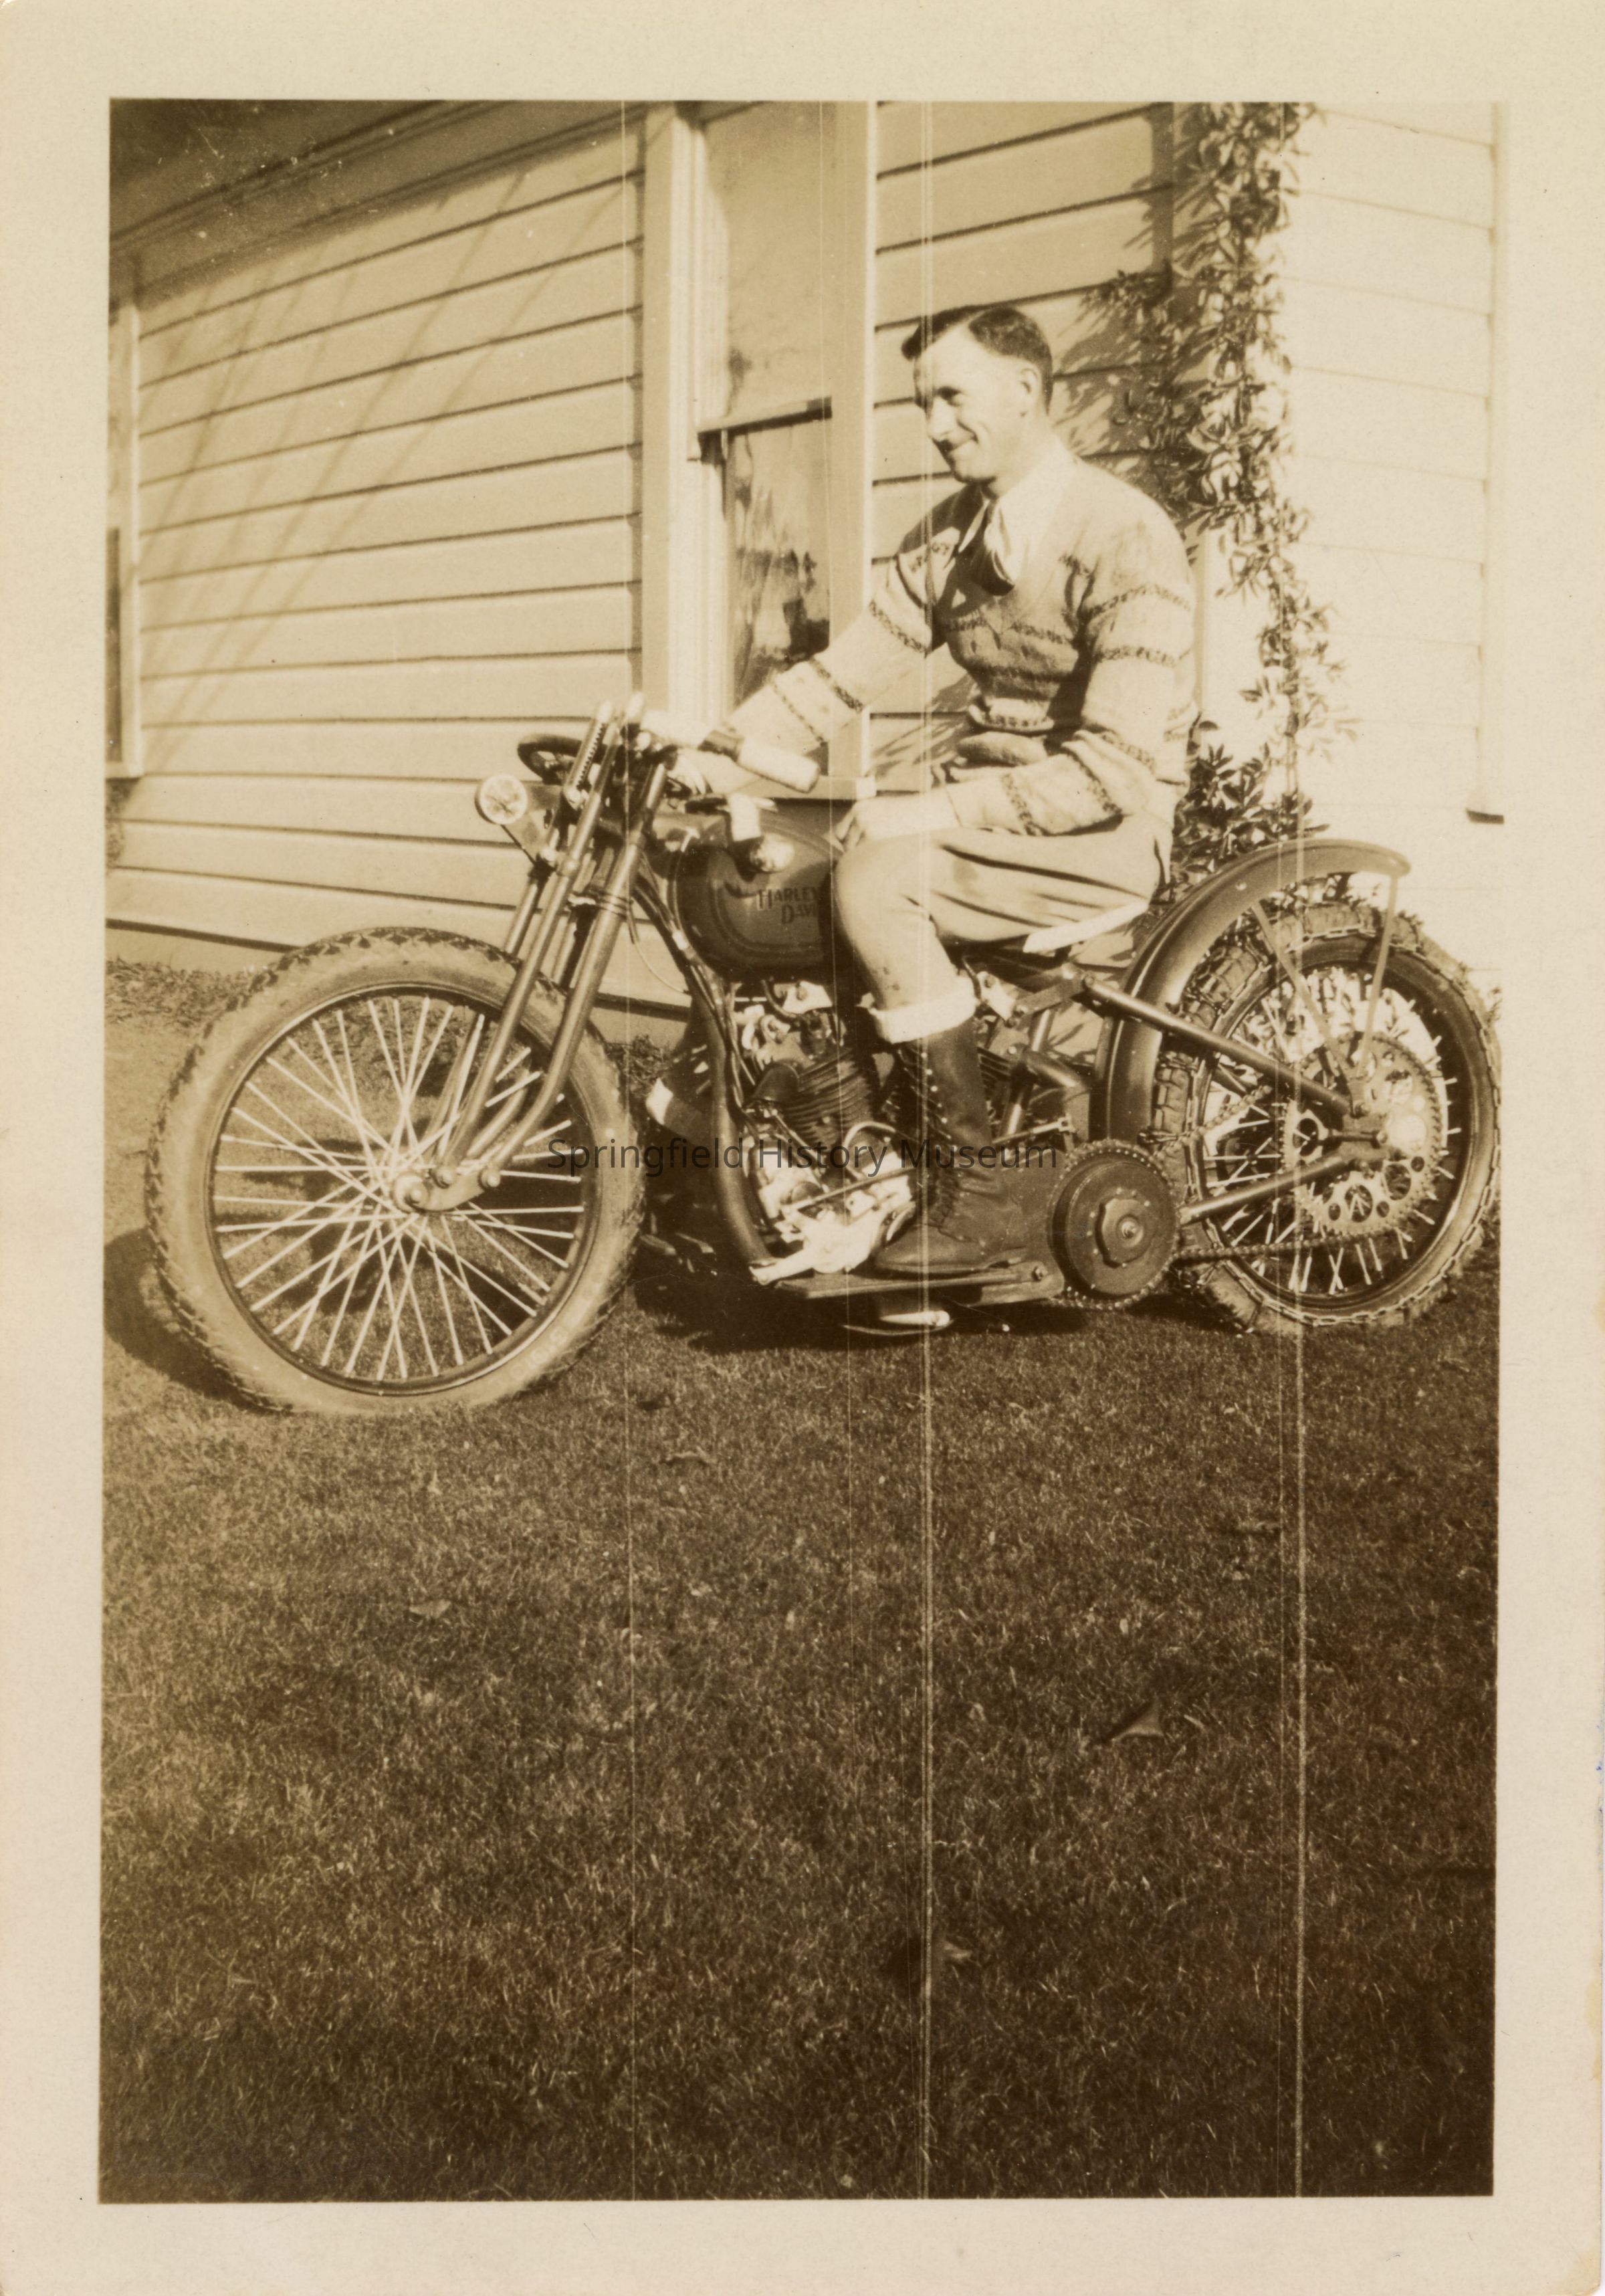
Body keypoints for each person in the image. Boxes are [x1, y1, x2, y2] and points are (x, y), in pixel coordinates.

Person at [657, 302, 1197, 1277]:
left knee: (878, 880)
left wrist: (932, 809)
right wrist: (715, 755)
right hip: (997, 821)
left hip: (1106, 829)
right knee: (796, 874)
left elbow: (1112, 770)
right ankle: (836, 1153)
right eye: (924, 404)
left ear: (1026, 390)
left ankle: (978, 1189)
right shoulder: (952, 540)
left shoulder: (1125, 534)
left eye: (952, 397)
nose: (936, 426)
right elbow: (839, 677)